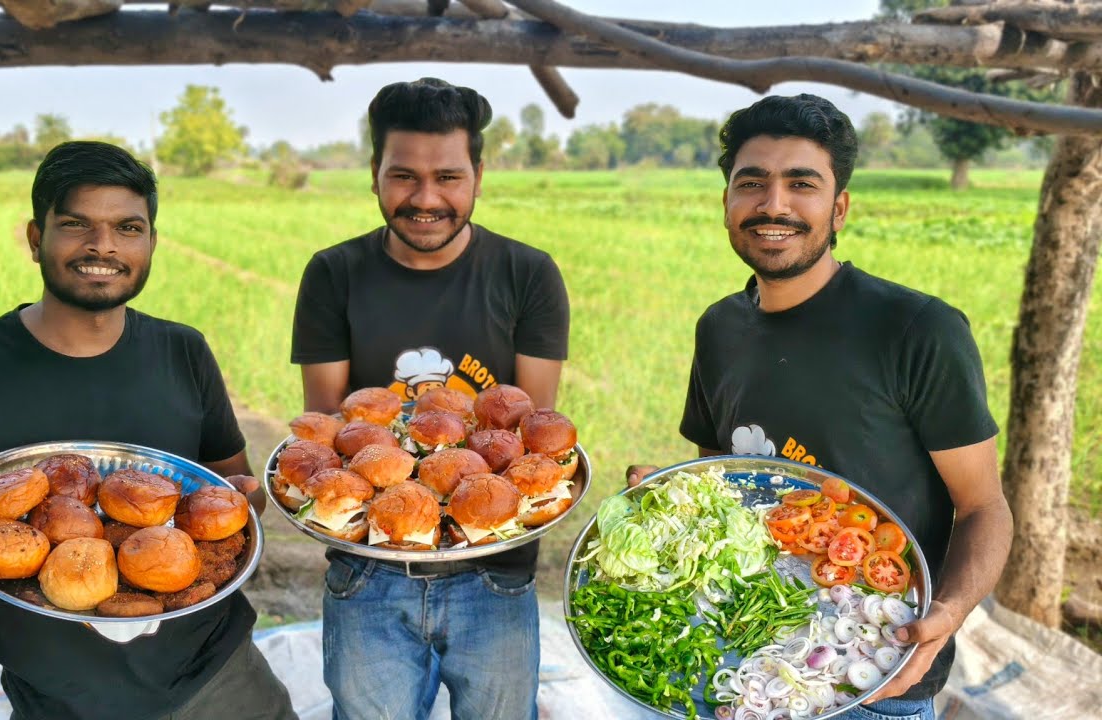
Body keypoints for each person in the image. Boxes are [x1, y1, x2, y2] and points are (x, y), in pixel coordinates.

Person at [0, 141, 297, 720]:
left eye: (128, 227)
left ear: (151, 243)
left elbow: (227, 505)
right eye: (76, 224)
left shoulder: (182, 351)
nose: (104, 246)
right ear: (36, 238)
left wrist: (257, 496)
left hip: (220, 679)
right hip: (59, 700)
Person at [628, 94, 1013, 719]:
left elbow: (984, 507)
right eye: (751, 183)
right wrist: (671, 497)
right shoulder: (719, 328)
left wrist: (947, 612)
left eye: (800, 184)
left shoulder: (917, 329)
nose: (773, 204)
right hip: (741, 661)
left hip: (872, 676)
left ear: (838, 209)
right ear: (726, 203)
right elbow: (725, 488)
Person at [290, 78, 570, 720]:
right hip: (369, 570)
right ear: (374, 174)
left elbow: (531, 440)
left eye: (448, 176)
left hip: (494, 569)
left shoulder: (526, 274)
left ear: (478, 172)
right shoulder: (335, 273)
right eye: (403, 176)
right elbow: (329, 437)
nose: (425, 198)